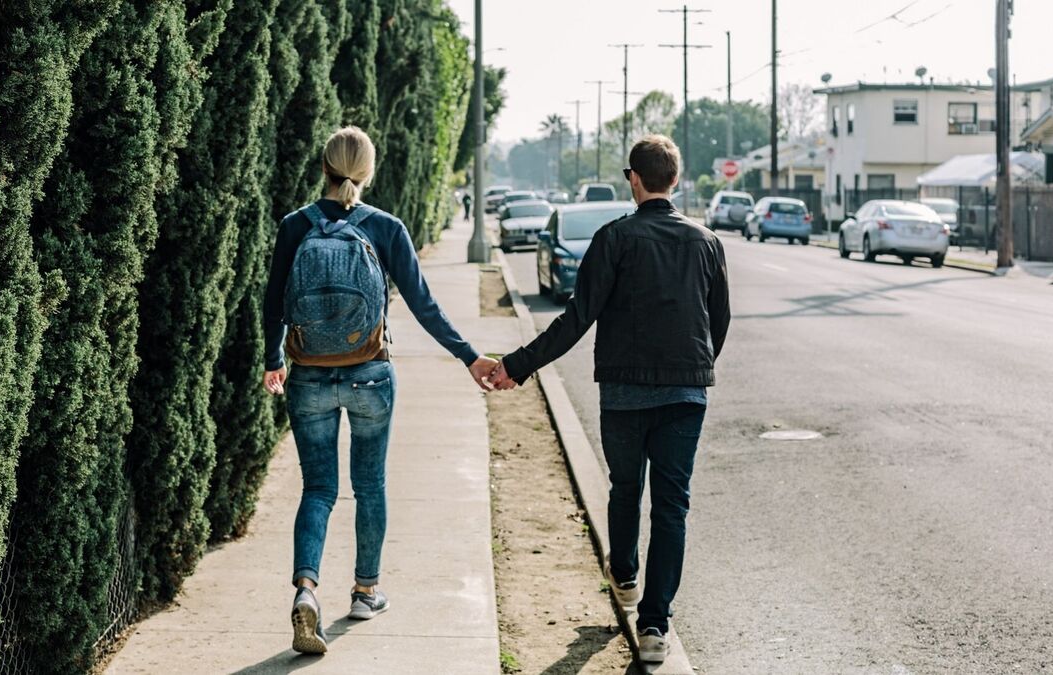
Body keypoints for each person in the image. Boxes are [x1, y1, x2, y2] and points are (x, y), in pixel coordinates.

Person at [489, 134, 730, 664]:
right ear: (675, 179)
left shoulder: (614, 239)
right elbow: (720, 322)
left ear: (634, 179)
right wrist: (693, 367)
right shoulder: (707, 242)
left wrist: (516, 365)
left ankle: (623, 575)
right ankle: (654, 627)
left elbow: (577, 320)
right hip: (687, 393)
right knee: (673, 506)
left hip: (624, 392)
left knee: (625, 488)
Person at [262, 126, 499, 654]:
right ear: (368, 173)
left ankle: (306, 591)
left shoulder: (295, 226)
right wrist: (468, 356)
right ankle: (366, 591)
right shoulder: (386, 228)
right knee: (369, 485)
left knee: (318, 489)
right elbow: (423, 304)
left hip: (309, 377)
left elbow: (273, 301)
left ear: (323, 167)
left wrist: (272, 358)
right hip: (370, 373)